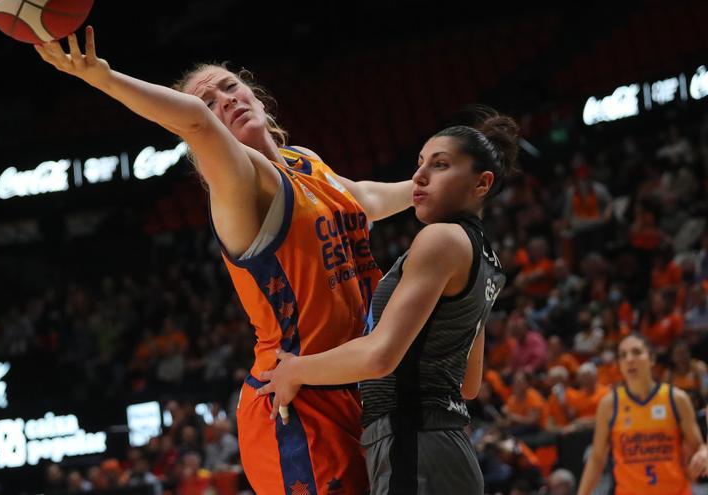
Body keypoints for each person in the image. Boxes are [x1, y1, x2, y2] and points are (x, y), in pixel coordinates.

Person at [35, 27, 414, 494]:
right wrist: (104, 78)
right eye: (210, 101)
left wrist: (428, 191)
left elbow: (362, 197)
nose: (224, 101)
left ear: (254, 92)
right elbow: (195, 123)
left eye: (230, 87)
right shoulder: (239, 185)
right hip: (297, 406)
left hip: (353, 382)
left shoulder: (304, 162)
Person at [257, 110, 515, 493]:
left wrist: (294, 370)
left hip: (415, 443)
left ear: (482, 184)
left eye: (440, 165)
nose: (420, 176)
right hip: (446, 447)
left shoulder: (440, 240)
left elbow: (380, 356)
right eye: (420, 163)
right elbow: (469, 384)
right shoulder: (486, 259)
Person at [577, 334, 708, 495]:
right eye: (623, 355)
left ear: (652, 359)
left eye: (636, 352)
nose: (629, 359)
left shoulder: (676, 398)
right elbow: (597, 458)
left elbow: (698, 446)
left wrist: (704, 452)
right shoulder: (609, 404)